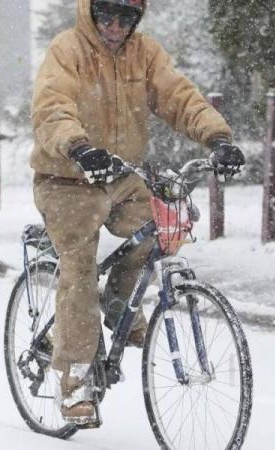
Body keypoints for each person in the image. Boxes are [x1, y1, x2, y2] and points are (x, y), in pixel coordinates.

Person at [30, 0, 245, 425]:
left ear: (137, 18)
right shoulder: (66, 49)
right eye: (105, 15)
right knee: (79, 269)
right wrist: (78, 146)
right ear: (90, 12)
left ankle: (118, 306)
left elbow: (179, 96)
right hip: (67, 177)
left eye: (125, 17)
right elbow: (52, 107)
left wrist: (217, 138)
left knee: (155, 233)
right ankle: (75, 381)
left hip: (121, 175)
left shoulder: (144, 53)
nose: (114, 26)